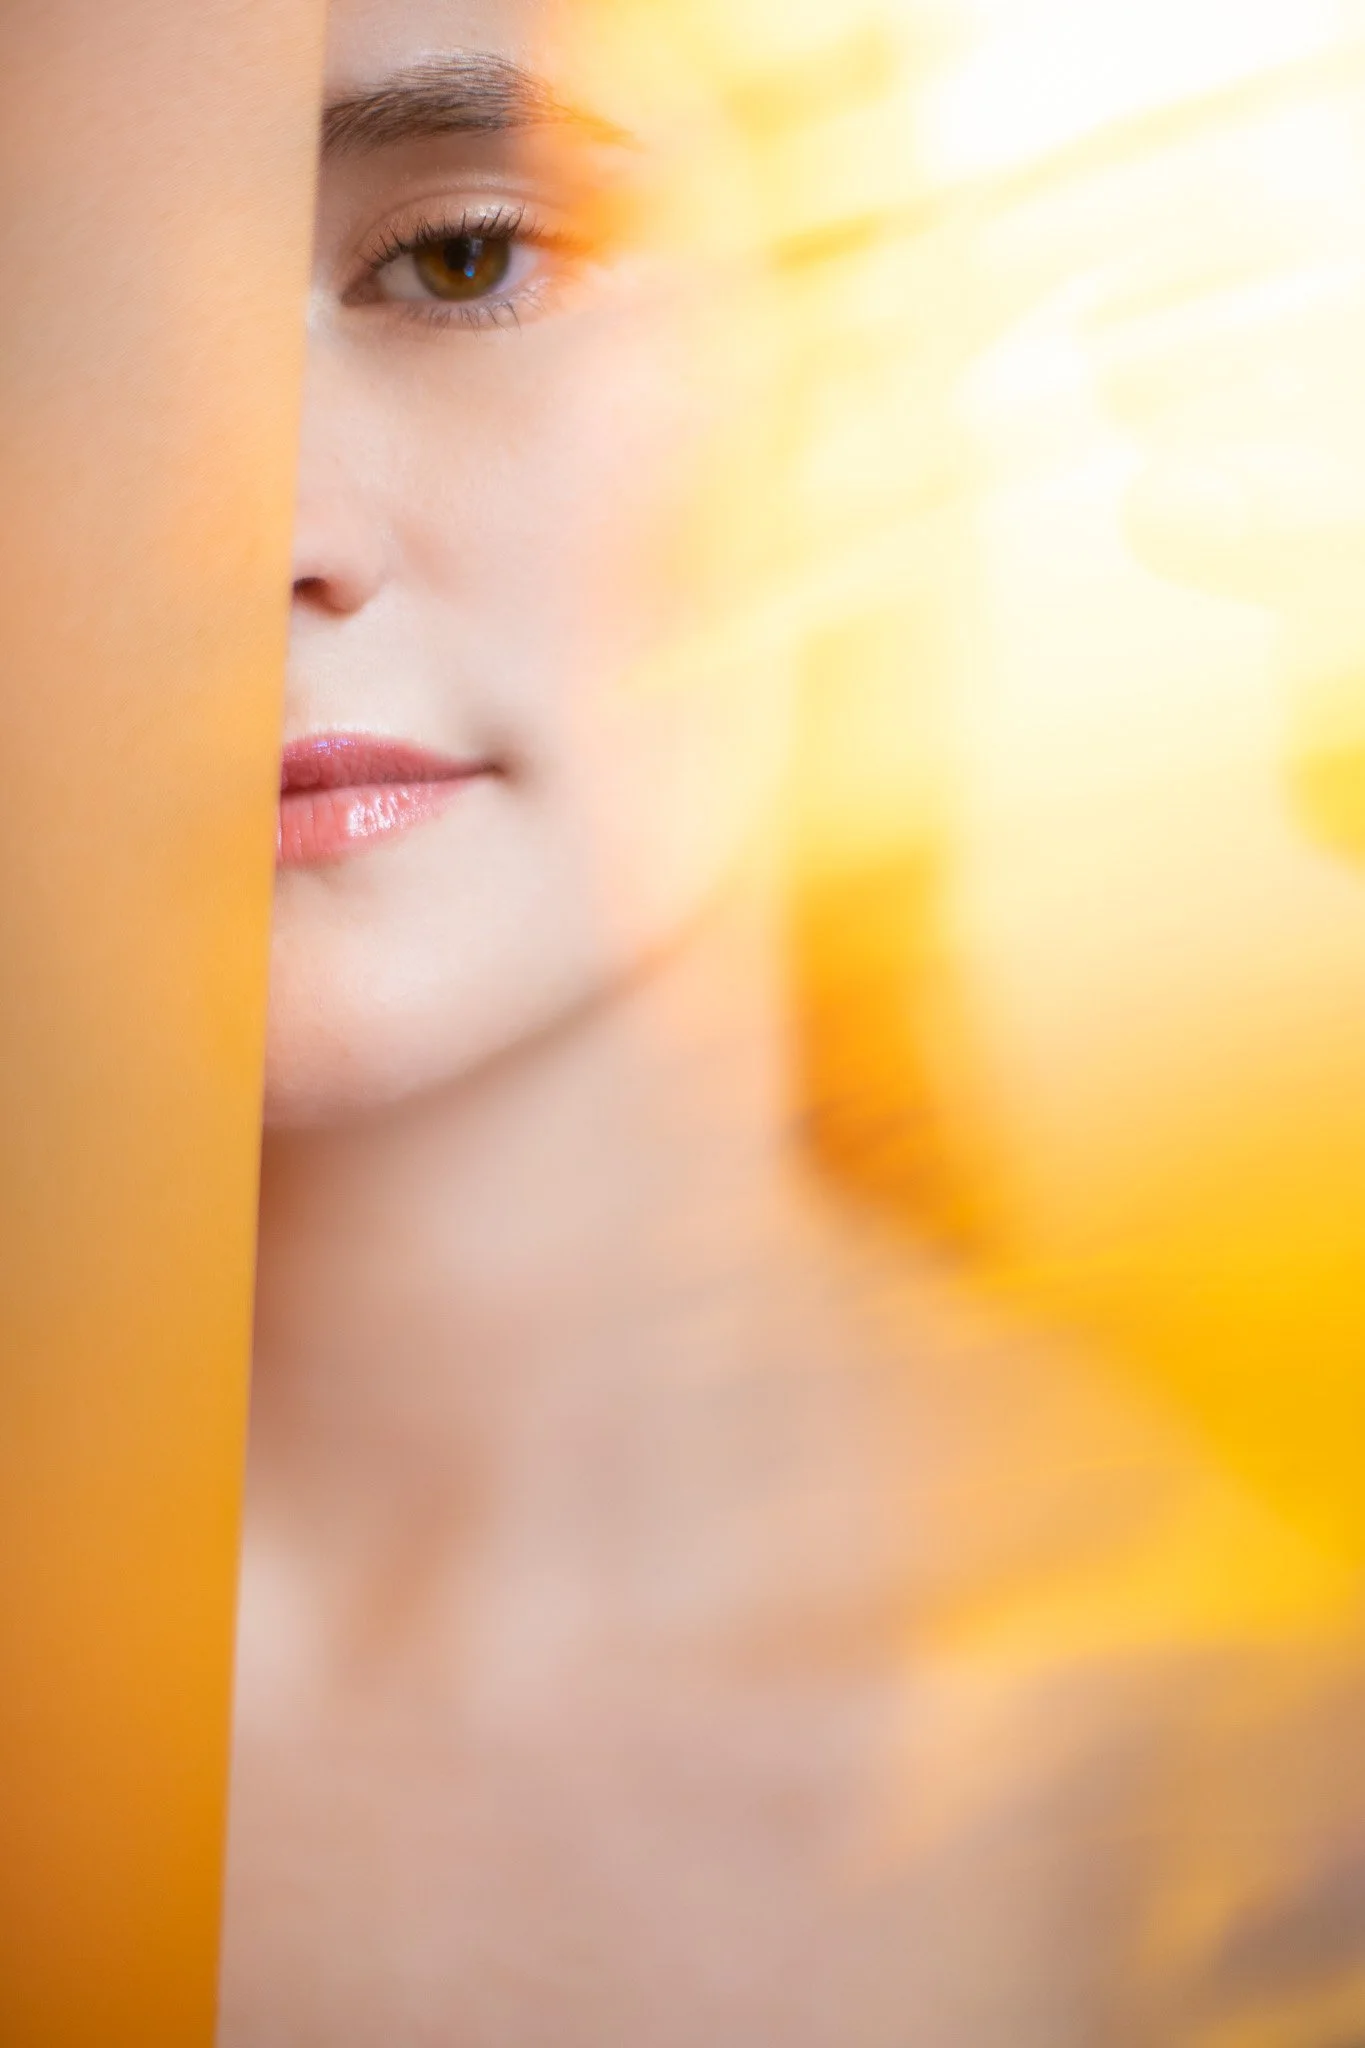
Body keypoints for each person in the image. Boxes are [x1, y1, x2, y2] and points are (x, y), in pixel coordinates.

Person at [219, 2, 1365, 2041]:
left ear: (865, 372)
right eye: (38, 312)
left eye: (463, 257)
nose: (261, 537)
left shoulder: (1252, 1814)